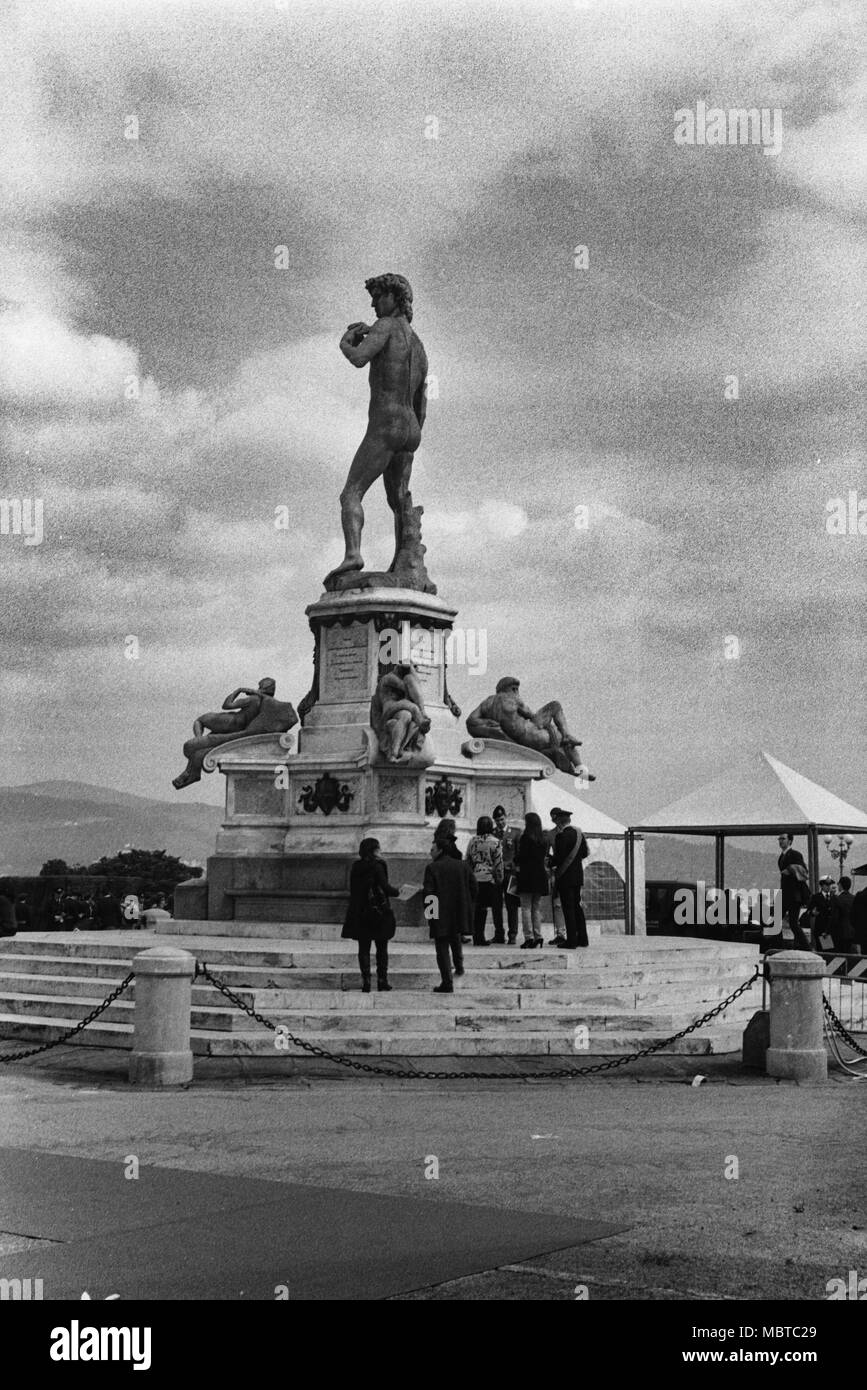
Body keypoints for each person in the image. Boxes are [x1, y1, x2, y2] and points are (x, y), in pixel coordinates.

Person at [326, 273, 428, 586]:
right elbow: (421, 400)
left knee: (350, 494)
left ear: (395, 298)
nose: (373, 303)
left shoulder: (385, 326)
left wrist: (346, 343)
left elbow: (359, 358)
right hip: (410, 429)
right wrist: (410, 437)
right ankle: (405, 563)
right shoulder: (419, 345)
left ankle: (353, 555)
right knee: (399, 502)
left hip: (385, 424)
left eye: (378, 296)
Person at [423, 819, 477, 993]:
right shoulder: (463, 866)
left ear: (439, 850)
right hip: (459, 910)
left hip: (440, 912)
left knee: (442, 947)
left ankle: (447, 982)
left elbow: (429, 894)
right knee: (455, 938)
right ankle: (459, 966)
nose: (430, 852)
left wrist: (431, 916)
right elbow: (474, 888)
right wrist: (467, 905)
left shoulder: (432, 868)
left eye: (432, 849)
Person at [341, 838, 398, 992]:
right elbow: (385, 887)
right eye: (378, 848)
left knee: (363, 948)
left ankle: (366, 981)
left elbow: (354, 889)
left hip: (360, 912)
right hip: (378, 912)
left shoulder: (356, 866)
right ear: (374, 850)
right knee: (381, 947)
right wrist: (400, 891)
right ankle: (382, 980)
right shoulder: (378, 865)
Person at [549, 807, 590, 948]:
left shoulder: (561, 836)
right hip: (578, 875)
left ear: (559, 822)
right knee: (577, 907)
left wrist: (549, 861)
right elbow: (585, 853)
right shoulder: (579, 833)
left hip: (565, 877)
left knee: (568, 908)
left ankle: (572, 940)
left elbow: (558, 858)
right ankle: (583, 938)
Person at [465, 815, 504, 945]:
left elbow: (468, 860)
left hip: (476, 877)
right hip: (490, 878)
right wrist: (499, 878)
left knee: (478, 908)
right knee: (494, 907)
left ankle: (478, 936)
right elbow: (498, 862)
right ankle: (499, 934)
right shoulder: (495, 841)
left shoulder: (472, 841)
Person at [515, 812, 548, 948]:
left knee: (526, 908)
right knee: (536, 908)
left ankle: (528, 937)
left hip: (527, 875)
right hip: (540, 875)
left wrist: (515, 861)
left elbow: (522, 856)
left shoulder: (526, 838)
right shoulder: (543, 839)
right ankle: (538, 935)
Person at [777, 834, 812, 951]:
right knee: (779, 920)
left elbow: (804, 872)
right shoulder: (781, 857)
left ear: (790, 841)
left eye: (783, 839)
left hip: (794, 895)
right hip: (785, 894)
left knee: (792, 923)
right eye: (779, 839)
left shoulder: (795, 854)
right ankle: (779, 945)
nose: (780, 841)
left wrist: (790, 869)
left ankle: (805, 947)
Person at [492, 805, 521, 944]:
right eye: (497, 820)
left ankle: (513, 934)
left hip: (511, 873)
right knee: (496, 904)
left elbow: (519, 853)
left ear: (506, 818)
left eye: (502, 819)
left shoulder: (515, 832)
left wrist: (513, 865)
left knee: (512, 905)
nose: (500, 822)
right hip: (496, 874)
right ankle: (499, 933)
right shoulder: (492, 834)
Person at [807, 876, 836, 950]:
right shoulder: (816, 897)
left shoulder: (834, 897)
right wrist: (813, 912)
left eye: (830, 885)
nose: (828, 887)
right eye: (826, 885)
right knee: (823, 951)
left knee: (831, 952)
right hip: (821, 928)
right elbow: (809, 911)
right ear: (822, 886)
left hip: (831, 929)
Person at [829, 876, 856, 952]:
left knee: (839, 954)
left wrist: (827, 931)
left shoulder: (837, 899)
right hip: (851, 932)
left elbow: (834, 917)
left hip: (839, 933)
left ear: (840, 885)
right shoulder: (854, 898)